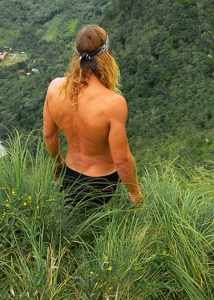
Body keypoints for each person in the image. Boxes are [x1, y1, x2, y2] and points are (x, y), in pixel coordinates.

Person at [43, 25, 143, 206]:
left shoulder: (54, 88)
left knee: (72, 224)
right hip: (102, 184)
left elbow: (49, 135)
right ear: (107, 54)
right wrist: (135, 193)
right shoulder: (113, 103)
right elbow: (122, 160)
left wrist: (57, 167)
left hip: (70, 176)